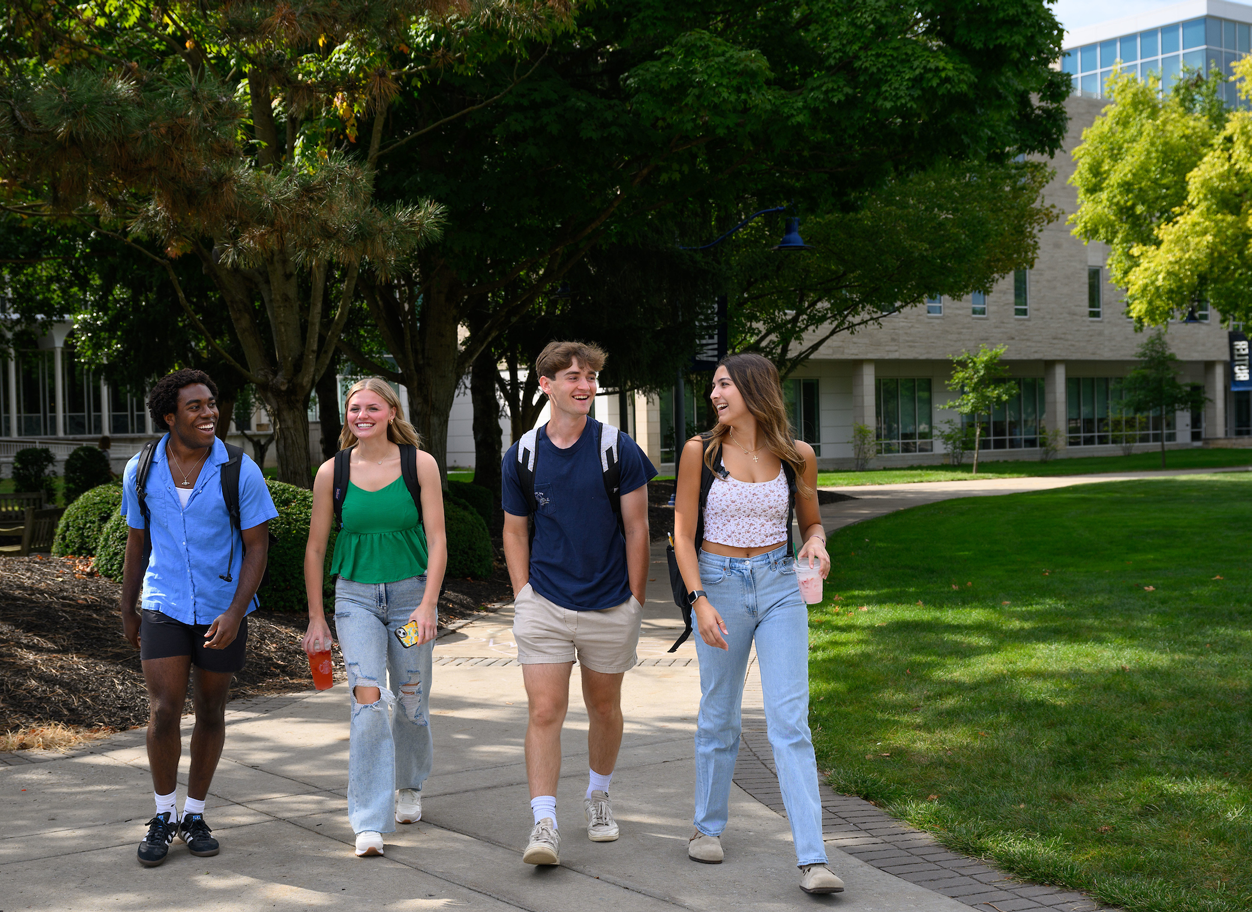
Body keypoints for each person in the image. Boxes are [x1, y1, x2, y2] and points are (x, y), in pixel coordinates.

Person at [672, 353, 844, 895]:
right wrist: (699, 598)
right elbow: (680, 533)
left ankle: (813, 859)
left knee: (790, 720)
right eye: (714, 386)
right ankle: (707, 827)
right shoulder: (701, 452)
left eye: (724, 385)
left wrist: (815, 542)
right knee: (719, 714)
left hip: (779, 587)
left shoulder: (798, 456)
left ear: (753, 388)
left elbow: (812, 522)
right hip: (718, 586)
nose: (715, 395)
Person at [501, 341, 656, 866]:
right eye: (572, 376)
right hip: (543, 601)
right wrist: (523, 594)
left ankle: (598, 796)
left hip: (610, 602)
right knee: (545, 710)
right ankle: (544, 821)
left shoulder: (617, 448)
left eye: (589, 376)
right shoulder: (522, 454)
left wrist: (635, 599)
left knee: (604, 708)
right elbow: (515, 530)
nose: (584, 385)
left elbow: (638, 528)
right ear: (545, 385)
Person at [120, 369, 278, 867]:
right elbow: (137, 542)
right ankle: (163, 816)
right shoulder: (141, 469)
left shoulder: (238, 469)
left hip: (220, 609)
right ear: (170, 416)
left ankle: (195, 813)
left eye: (211, 404)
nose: (209, 413)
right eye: (196, 406)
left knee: (210, 712)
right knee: (165, 710)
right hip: (163, 604)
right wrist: (128, 608)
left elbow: (258, 546)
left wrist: (235, 612)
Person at [302, 378, 447, 858]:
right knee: (367, 700)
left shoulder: (418, 464)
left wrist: (428, 605)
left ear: (391, 412)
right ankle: (368, 821)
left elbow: (438, 539)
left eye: (371, 407)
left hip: (410, 600)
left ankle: (409, 783)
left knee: (410, 699)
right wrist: (317, 618)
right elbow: (317, 548)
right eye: (353, 408)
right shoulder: (332, 472)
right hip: (355, 600)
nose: (361, 415)